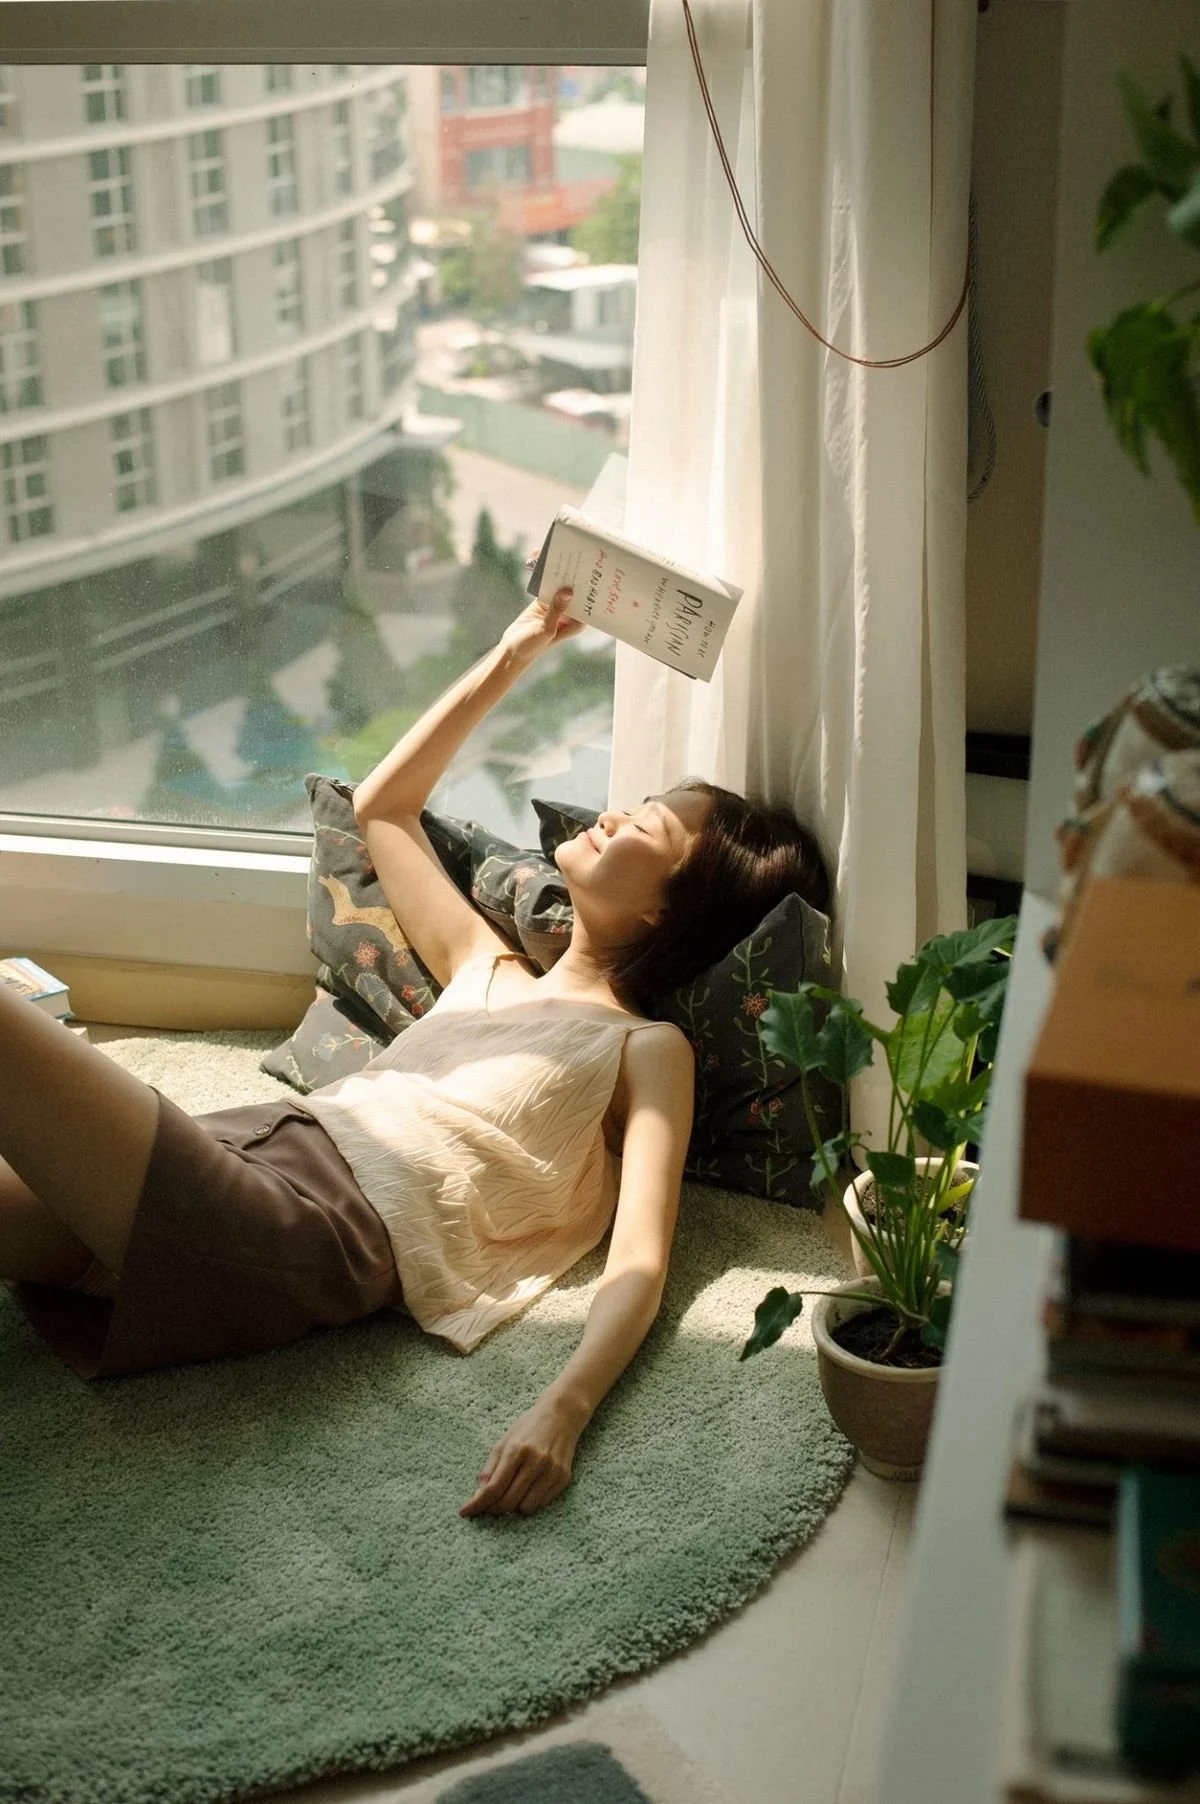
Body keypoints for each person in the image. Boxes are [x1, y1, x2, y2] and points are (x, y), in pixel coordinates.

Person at [0, 587, 829, 1518]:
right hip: (254, 1137)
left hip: (310, 1226)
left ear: (665, 913)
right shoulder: (486, 965)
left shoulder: (647, 1049)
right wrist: (514, 652)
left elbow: (642, 1256)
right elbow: (385, 811)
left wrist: (563, 1410)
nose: (613, 814)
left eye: (648, 827)